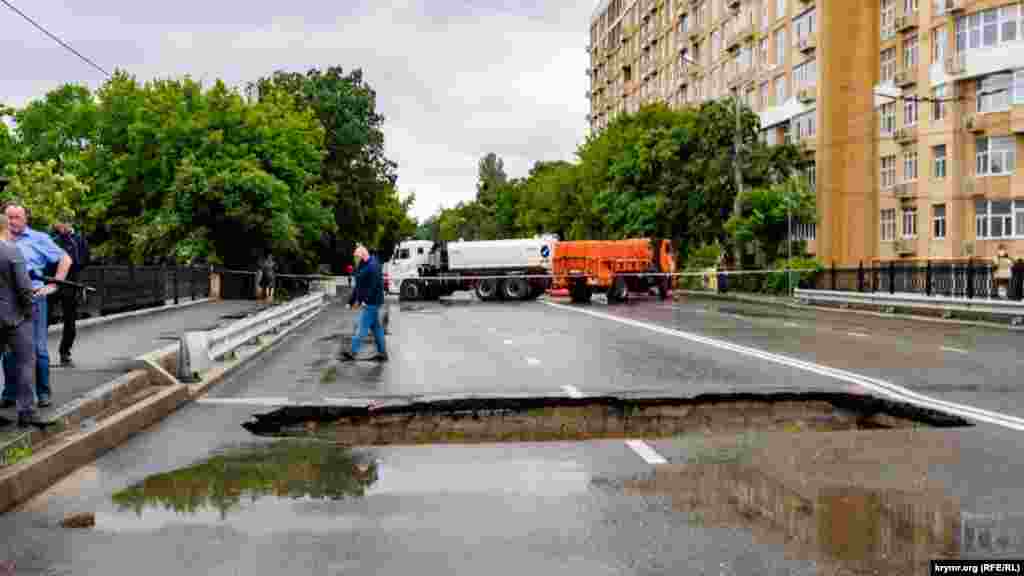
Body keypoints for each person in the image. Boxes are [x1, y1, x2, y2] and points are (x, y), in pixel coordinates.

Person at [0, 203, 71, 410]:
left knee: (38, 348)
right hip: (8, 301)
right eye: (9, 217)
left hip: (34, 297)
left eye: (17, 217)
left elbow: (65, 259)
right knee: (9, 350)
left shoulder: (38, 238)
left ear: (26, 218)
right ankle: (10, 394)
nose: (12, 221)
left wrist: (54, 285)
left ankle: (43, 392)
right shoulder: (2, 240)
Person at [0, 214, 41, 427]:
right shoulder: (11, 250)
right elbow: (24, 287)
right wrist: (29, 310)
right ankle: (27, 412)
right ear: (5, 228)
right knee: (25, 361)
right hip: (14, 317)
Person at [340, 245, 387, 362]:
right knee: (376, 328)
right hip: (371, 301)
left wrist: (362, 301)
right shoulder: (364, 265)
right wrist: (351, 301)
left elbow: (371, 287)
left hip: (372, 302)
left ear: (363, 256)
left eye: (357, 257)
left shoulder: (372, 266)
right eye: (355, 257)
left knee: (362, 327)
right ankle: (382, 353)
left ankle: (352, 352)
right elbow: (359, 286)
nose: (355, 260)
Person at [52, 218, 89, 366]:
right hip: (52, 282)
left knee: (70, 321)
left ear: (69, 223)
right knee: (44, 318)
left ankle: (65, 352)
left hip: (71, 284)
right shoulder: (52, 239)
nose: (59, 225)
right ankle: (37, 353)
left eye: (62, 222)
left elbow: (84, 260)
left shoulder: (79, 240)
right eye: (57, 223)